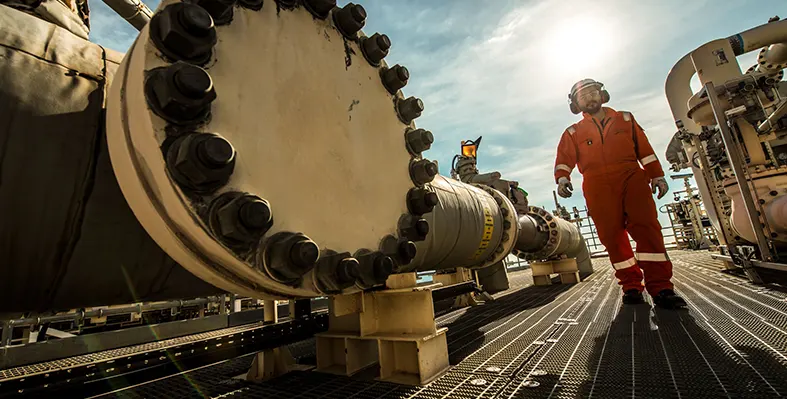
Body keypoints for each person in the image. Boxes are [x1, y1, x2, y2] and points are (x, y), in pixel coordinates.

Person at [553, 78, 687, 309]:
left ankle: (661, 288)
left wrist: (656, 175)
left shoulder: (625, 119)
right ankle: (631, 286)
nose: (589, 98)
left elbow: (645, 150)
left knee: (647, 229)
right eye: (583, 96)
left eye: (592, 92)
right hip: (597, 185)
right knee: (611, 237)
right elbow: (564, 159)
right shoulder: (573, 132)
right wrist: (562, 178)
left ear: (602, 95)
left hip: (632, 178)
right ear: (576, 104)